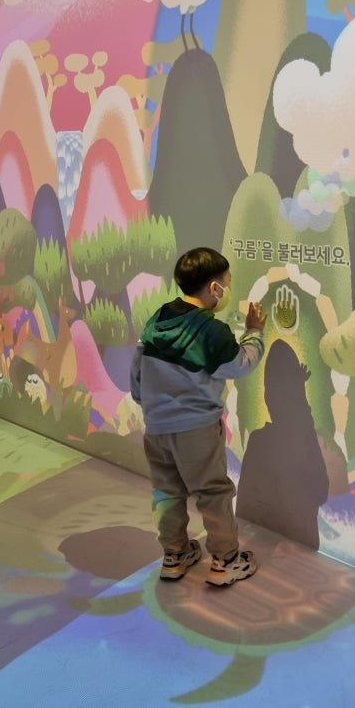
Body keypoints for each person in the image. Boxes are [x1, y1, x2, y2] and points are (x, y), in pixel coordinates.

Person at [130, 246, 267, 583]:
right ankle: (225, 561)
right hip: (197, 429)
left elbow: (137, 373)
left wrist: (150, 406)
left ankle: (174, 555)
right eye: (227, 283)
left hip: (157, 426)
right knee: (212, 492)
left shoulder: (159, 318)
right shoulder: (211, 331)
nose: (228, 289)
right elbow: (238, 366)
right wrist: (254, 333)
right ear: (213, 288)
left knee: (167, 491)